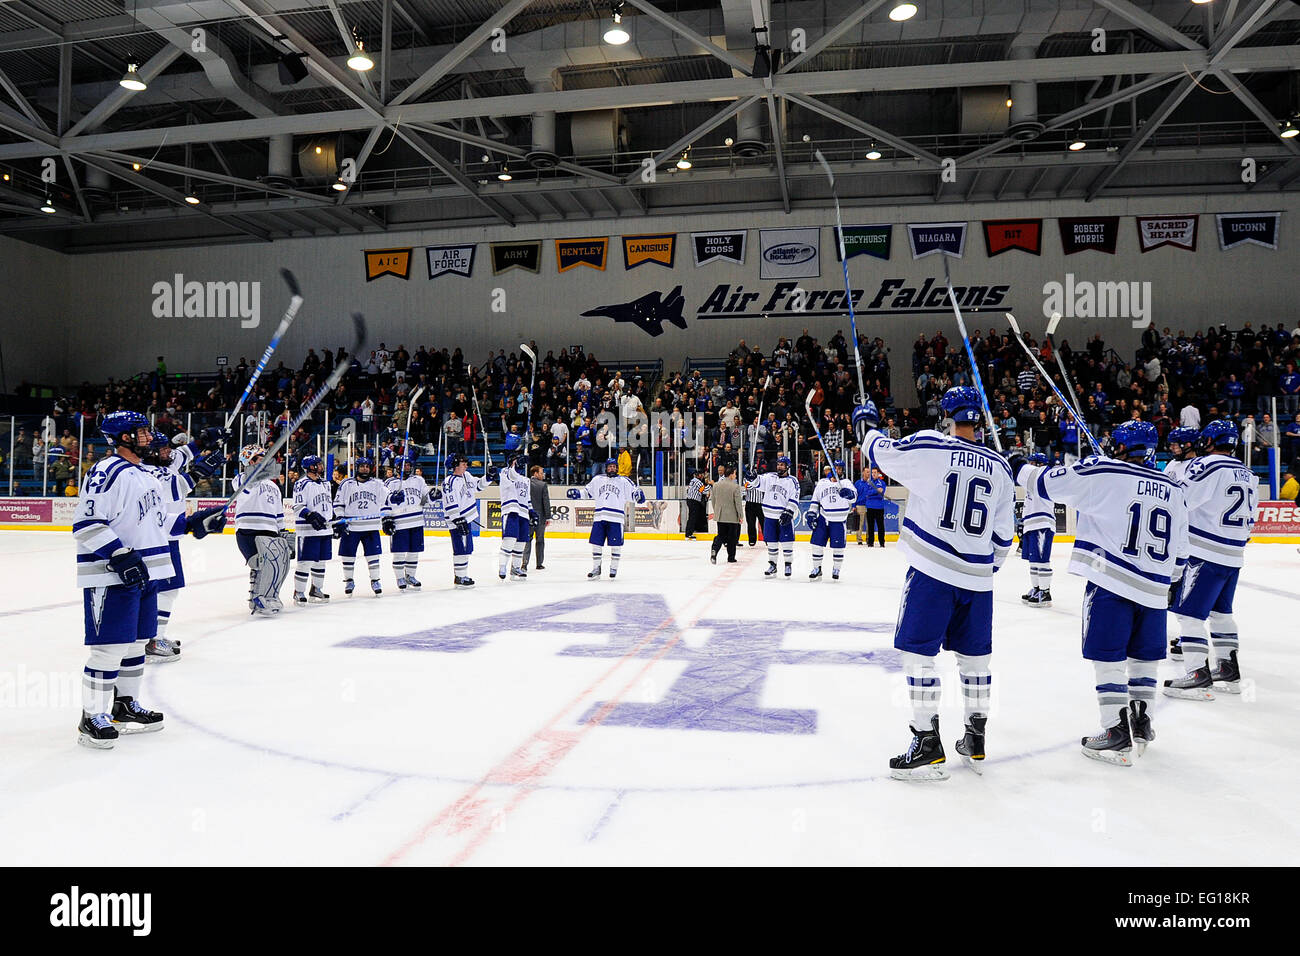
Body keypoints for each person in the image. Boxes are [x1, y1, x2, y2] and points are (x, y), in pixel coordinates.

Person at [853, 387, 1015, 780]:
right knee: (976, 660)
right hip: (977, 580)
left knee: (918, 655)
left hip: (931, 573)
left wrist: (867, 425)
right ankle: (975, 737)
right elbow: (1004, 538)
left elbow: (881, 452)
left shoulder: (932, 447)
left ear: (946, 416)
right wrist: (981, 569)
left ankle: (927, 741)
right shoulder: (1001, 468)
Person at [1013, 420, 1188, 767]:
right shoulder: (1174, 488)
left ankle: (1114, 731)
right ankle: (1141, 721)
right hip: (1154, 587)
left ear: (1122, 447)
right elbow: (1182, 550)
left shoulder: (1104, 470)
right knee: (1143, 658)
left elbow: (1046, 484)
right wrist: (1172, 583)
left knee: (1107, 657)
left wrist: (1019, 466)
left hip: (1112, 581)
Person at [72, 411, 225, 748]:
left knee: (137, 644)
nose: (148, 437)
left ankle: (125, 705)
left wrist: (195, 523)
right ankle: (92, 716)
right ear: (122, 437)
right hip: (111, 576)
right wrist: (118, 554)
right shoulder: (105, 471)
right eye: (141, 432)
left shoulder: (144, 475)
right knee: (109, 649)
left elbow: (158, 524)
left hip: (148, 575)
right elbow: (86, 523)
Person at [1164, 421, 1256, 699]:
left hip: (1204, 552)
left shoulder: (1209, 466)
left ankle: (1197, 674)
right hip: (1234, 555)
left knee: (1188, 614)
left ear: (1210, 440)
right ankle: (1228, 667)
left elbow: (1180, 499)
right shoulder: (1249, 472)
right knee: (1221, 613)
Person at [144, 427, 225, 660]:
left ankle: (154, 635)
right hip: (161, 538)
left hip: (167, 535)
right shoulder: (151, 473)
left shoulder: (165, 462)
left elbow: (186, 452)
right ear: (151, 452)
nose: (169, 452)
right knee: (165, 590)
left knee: (166, 590)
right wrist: (199, 473)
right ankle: (152, 640)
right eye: (163, 449)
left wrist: (205, 439)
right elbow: (177, 486)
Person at [234, 444, 291, 614]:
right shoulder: (241, 479)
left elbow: (278, 513)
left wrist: (283, 532)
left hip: (270, 530)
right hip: (248, 530)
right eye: (260, 459)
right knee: (260, 565)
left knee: (276, 565)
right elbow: (247, 486)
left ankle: (270, 595)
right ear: (249, 461)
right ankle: (257, 597)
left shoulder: (273, 486)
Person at [567, 457, 645, 579]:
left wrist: (639, 496)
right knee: (596, 544)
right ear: (606, 468)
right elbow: (587, 493)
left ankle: (613, 568)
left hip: (616, 518)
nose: (612, 468)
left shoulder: (624, 481)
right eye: (610, 466)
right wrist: (577, 494)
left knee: (616, 545)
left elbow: (634, 496)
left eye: (614, 466)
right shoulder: (598, 479)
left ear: (617, 468)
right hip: (599, 517)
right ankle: (596, 568)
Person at [333, 454, 386, 597]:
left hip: (371, 526)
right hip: (352, 526)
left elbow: (388, 499)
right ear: (357, 468)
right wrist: (340, 518)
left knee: (373, 555)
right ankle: (349, 580)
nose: (365, 469)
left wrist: (397, 497)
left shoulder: (378, 484)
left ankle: (375, 580)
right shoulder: (346, 484)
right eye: (362, 466)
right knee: (348, 555)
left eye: (367, 466)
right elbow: (338, 504)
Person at [383, 454, 433, 591]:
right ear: (397, 467)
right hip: (400, 522)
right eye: (404, 465)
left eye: (408, 465)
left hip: (416, 521)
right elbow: (384, 502)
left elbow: (425, 498)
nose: (406, 467)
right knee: (399, 552)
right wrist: (386, 519)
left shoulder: (418, 480)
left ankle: (410, 575)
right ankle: (400, 577)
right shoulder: (389, 483)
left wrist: (433, 496)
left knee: (414, 552)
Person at [292, 455, 334, 605]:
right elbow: (297, 506)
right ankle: (299, 592)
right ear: (311, 467)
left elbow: (328, 504)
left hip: (325, 529)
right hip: (307, 530)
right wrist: (310, 515)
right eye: (319, 464)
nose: (322, 466)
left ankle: (316, 589)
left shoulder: (326, 483)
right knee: (306, 562)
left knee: (321, 562)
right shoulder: (301, 483)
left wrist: (333, 519)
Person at [442, 453, 486, 588]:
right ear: (455, 465)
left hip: (465, 519)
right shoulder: (449, 482)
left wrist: (488, 477)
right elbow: (450, 502)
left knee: (466, 547)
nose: (466, 465)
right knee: (460, 547)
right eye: (463, 463)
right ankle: (460, 577)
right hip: (457, 521)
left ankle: (462, 575)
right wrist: (457, 519)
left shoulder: (466, 476)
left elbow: (478, 486)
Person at [753, 456, 800, 578]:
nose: (779, 466)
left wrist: (789, 512)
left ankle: (788, 564)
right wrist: (751, 477)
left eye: (782, 465)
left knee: (787, 542)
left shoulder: (793, 481)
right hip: (769, 516)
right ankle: (772, 565)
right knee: (772, 542)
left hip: (784, 516)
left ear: (788, 467)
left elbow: (794, 498)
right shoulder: (769, 477)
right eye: (778, 464)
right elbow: (757, 483)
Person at [807, 461, 856, 580]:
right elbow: (815, 500)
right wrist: (811, 514)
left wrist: (848, 494)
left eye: (840, 469)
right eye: (835, 468)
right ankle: (817, 568)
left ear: (842, 471)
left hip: (839, 520)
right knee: (816, 544)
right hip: (823, 519)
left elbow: (854, 497)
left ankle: (836, 569)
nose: (837, 470)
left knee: (838, 547)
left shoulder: (846, 483)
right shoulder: (822, 483)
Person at [1019, 453, 1055, 608]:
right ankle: (1036, 588)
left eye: (1033, 462)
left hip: (1042, 523)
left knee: (1042, 560)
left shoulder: (1046, 476)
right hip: (1031, 523)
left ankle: (1045, 592)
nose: (1030, 466)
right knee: (1033, 560)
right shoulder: (1030, 479)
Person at [495, 453, 535, 581]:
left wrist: (532, 511)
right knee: (509, 540)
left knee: (521, 543)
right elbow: (512, 476)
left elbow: (527, 498)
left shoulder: (526, 480)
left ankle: (516, 568)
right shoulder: (505, 472)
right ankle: (502, 567)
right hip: (511, 510)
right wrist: (515, 466)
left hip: (523, 513)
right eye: (517, 461)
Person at [709, 464, 744, 564]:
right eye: (735, 474)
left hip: (720, 515)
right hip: (732, 516)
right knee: (732, 538)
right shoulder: (735, 486)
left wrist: (717, 511)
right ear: (731, 475)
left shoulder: (716, 485)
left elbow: (713, 500)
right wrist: (740, 515)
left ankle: (714, 550)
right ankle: (731, 557)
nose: (736, 476)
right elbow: (738, 503)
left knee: (721, 535)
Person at [521, 465, 550, 571]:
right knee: (540, 540)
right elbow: (545, 502)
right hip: (540, 517)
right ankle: (539, 563)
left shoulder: (525, 483)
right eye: (541, 473)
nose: (543, 475)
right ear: (535, 473)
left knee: (527, 540)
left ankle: (524, 563)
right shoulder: (542, 485)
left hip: (527, 516)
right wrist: (548, 517)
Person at [860, 467, 887, 547]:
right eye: (872, 473)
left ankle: (882, 542)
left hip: (879, 507)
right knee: (870, 526)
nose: (873, 474)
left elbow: (881, 495)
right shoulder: (869, 483)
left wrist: (872, 494)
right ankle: (870, 542)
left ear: (878, 473)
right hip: (870, 507)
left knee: (880, 526)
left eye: (875, 472)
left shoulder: (882, 483)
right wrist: (876, 491)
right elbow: (866, 493)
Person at [684, 470, 710, 540]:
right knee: (692, 517)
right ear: (699, 475)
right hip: (694, 501)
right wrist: (709, 484)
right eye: (701, 475)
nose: (702, 476)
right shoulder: (698, 482)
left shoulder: (692, 481)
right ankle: (689, 533)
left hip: (690, 500)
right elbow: (704, 491)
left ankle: (688, 532)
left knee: (691, 517)